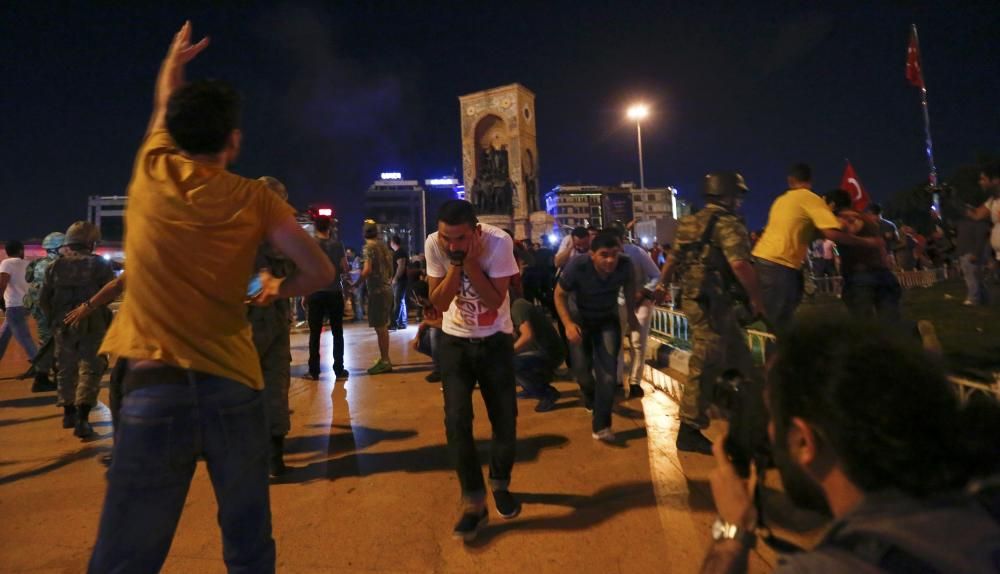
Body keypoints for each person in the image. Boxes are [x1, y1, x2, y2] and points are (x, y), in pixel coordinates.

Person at [89, 23, 336, 573]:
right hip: (234, 387)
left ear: (174, 134)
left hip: (154, 386)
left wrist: (172, 63)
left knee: (125, 555)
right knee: (248, 547)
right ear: (235, 140)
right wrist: (278, 287)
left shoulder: (152, 171)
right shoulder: (256, 200)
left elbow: (163, 105)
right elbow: (319, 271)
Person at [700, 316, 1000, 574]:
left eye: (773, 418)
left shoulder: (836, 567)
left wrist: (732, 530)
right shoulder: (983, 503)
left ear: (803, 440)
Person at [425, 199, 521, 542]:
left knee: (505, 419)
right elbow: (438, 303)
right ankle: (474, 500)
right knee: (456, 420)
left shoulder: (499, 243)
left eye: (460, 239)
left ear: (476, 231)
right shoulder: (435, 244)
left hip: (495, 340)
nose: (452, 245)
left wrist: (473, 265)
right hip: (455, 342)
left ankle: (500, 483)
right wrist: (457, 264)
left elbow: (495, 301)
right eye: (446, 237)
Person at [656, 173, 766, 454]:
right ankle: (689, 428)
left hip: (695, 299)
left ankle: (750, 418)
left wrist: (661, 285)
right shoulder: (728, 223)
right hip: (715, 302)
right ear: (727, 196)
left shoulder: (689, 222)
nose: (740, 202)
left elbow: (673, 259)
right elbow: (740, 264)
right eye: (737, 197)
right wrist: (756, 297)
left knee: (740, 357)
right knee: (705, 361)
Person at [751, 163, 880, 334]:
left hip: (764, 260)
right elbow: (831, 233)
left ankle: (777, 351)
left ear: (790, 181)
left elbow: (806, 232)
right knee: (778, 319)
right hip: (780, 264)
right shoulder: (810, 198)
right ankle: (775, 355)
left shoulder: (781, 200)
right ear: (810, 180)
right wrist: (867, 242)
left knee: (779, 314)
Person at [555, 231, 639, 442]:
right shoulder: (577, 266)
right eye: (604, 255)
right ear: (592, 254)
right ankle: (590, 396)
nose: (610, 260)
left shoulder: (626, 265)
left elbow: (629, 286)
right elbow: (559, 294)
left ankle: (602, 425)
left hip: (606, 321)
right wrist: (567, 325)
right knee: (582, 371)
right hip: (579, 320)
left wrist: (631, 314)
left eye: (614, 254)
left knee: (609, 374)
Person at [39, 221, 116, 437]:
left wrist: (55, 320)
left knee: (65, 368)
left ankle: (68, 413)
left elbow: (44, 299)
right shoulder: (100, 265)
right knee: (91, 369)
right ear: (90, 243)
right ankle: (83, 419)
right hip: (93, 324)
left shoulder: (54, 266)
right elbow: (110, 293)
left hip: (63, 325)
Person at [249, 176, 298, 476]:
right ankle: (274, 461)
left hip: (241, 322)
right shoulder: (285, 238)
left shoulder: (238, 230)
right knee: (276, 385)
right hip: (277, 319)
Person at [824, 189, 901, 322]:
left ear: (832, 204)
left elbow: (842, 231)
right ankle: (916, 330)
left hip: (861, 276)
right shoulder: (866, 218)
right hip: (884, 274)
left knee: (864, 324)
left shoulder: (842, 217)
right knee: (891, 322)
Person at [609, 221, 660, 398]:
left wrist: (644, 291)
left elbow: (656, 276)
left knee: (638, 342)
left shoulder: (637, 253)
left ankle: (635, 382)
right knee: (616, 343)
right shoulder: (606, 256)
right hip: (620, 301)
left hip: (641, 301)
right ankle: (616, 381)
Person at [306, 215, 349, 380]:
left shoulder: (311, 244)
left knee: (314, 333)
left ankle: (314, 370)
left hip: (316, 293)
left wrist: (306, 294)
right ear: (329, 227)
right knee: (337, 333)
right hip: (334, 292)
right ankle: (339, 369)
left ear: (316, 227)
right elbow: (345, 267)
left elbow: (307, 269)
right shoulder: (337, 245)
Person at [23, 231, 64, 392]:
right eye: (64, 246)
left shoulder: (41, 263)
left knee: (50, 342)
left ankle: (48, 375)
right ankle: (41, 379)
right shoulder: (53, 265)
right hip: (47, 310)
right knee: (48, 343)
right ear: (56, 248)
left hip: (41, 308)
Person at [353, 221, 394, 374]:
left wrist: (356, 283)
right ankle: (384, 358)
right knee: (383, 326)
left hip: (377, 291)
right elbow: (391, 268)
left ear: (364, 233)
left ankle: (385, 360)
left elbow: (367, 269)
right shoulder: (383, 247)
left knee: (380, 327)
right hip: (387, 289)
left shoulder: (368, 247)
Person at [511, 297, 564, 412]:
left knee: (509, 363)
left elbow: (528, 336)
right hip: (542, 351)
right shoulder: (514, 307)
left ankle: (546, 393)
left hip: (550, 352)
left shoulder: (518, 306)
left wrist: (507, 352)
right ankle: (531, 388)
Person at [0, 240, 38, 368]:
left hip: (14, 305)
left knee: (24, 337)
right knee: (4, 335)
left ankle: (39, 365)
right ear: (21, 251)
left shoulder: (7, 263)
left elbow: (2, 283)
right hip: (26, 305)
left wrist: (1, 303)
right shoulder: (28, 264)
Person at [955, 208, 992, 306]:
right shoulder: (963, 223)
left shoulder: (980, 224)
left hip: (971, 253)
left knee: (971, 278)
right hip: (965, 253)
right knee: (976, 278)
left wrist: (976, 253)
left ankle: (973, 299)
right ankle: (984, 298)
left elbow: (980, 240)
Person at [967, 160, 1000, 263]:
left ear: (995, 180)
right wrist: (951, 199)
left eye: (983, 179)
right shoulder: (992, 201)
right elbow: (976, 214)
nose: (980, 182)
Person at [409, 279, 442, 382]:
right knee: (420, 342)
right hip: (442, 335)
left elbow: (443, 323)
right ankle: (443, 363)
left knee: (434, 332)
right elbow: (425, 323)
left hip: (450, 334)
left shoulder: (437, 301)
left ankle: (440, 370)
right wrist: (417, 337)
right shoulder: (426, 307)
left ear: (419, 297)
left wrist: (426, 323)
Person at [389, 235, 409, 330]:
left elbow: (401, 266)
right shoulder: (400, 252)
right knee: (401, 301)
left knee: (397, 301)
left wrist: (395, 278)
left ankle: (394, 323)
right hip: (401, 280)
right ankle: (402, 323)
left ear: (393, 242)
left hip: (400, 281)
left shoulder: (399, 253)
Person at [346, 247, 365, 321]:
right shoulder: (353, 260)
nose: (347, 254)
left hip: (358, 282)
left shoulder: (357, 259)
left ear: (353, 252)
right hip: (354, 283)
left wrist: (349, 272)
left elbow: (359, 270)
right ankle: (357, 316)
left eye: (349, 252)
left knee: (358, 300)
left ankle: (359, 317)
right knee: (354, 300)